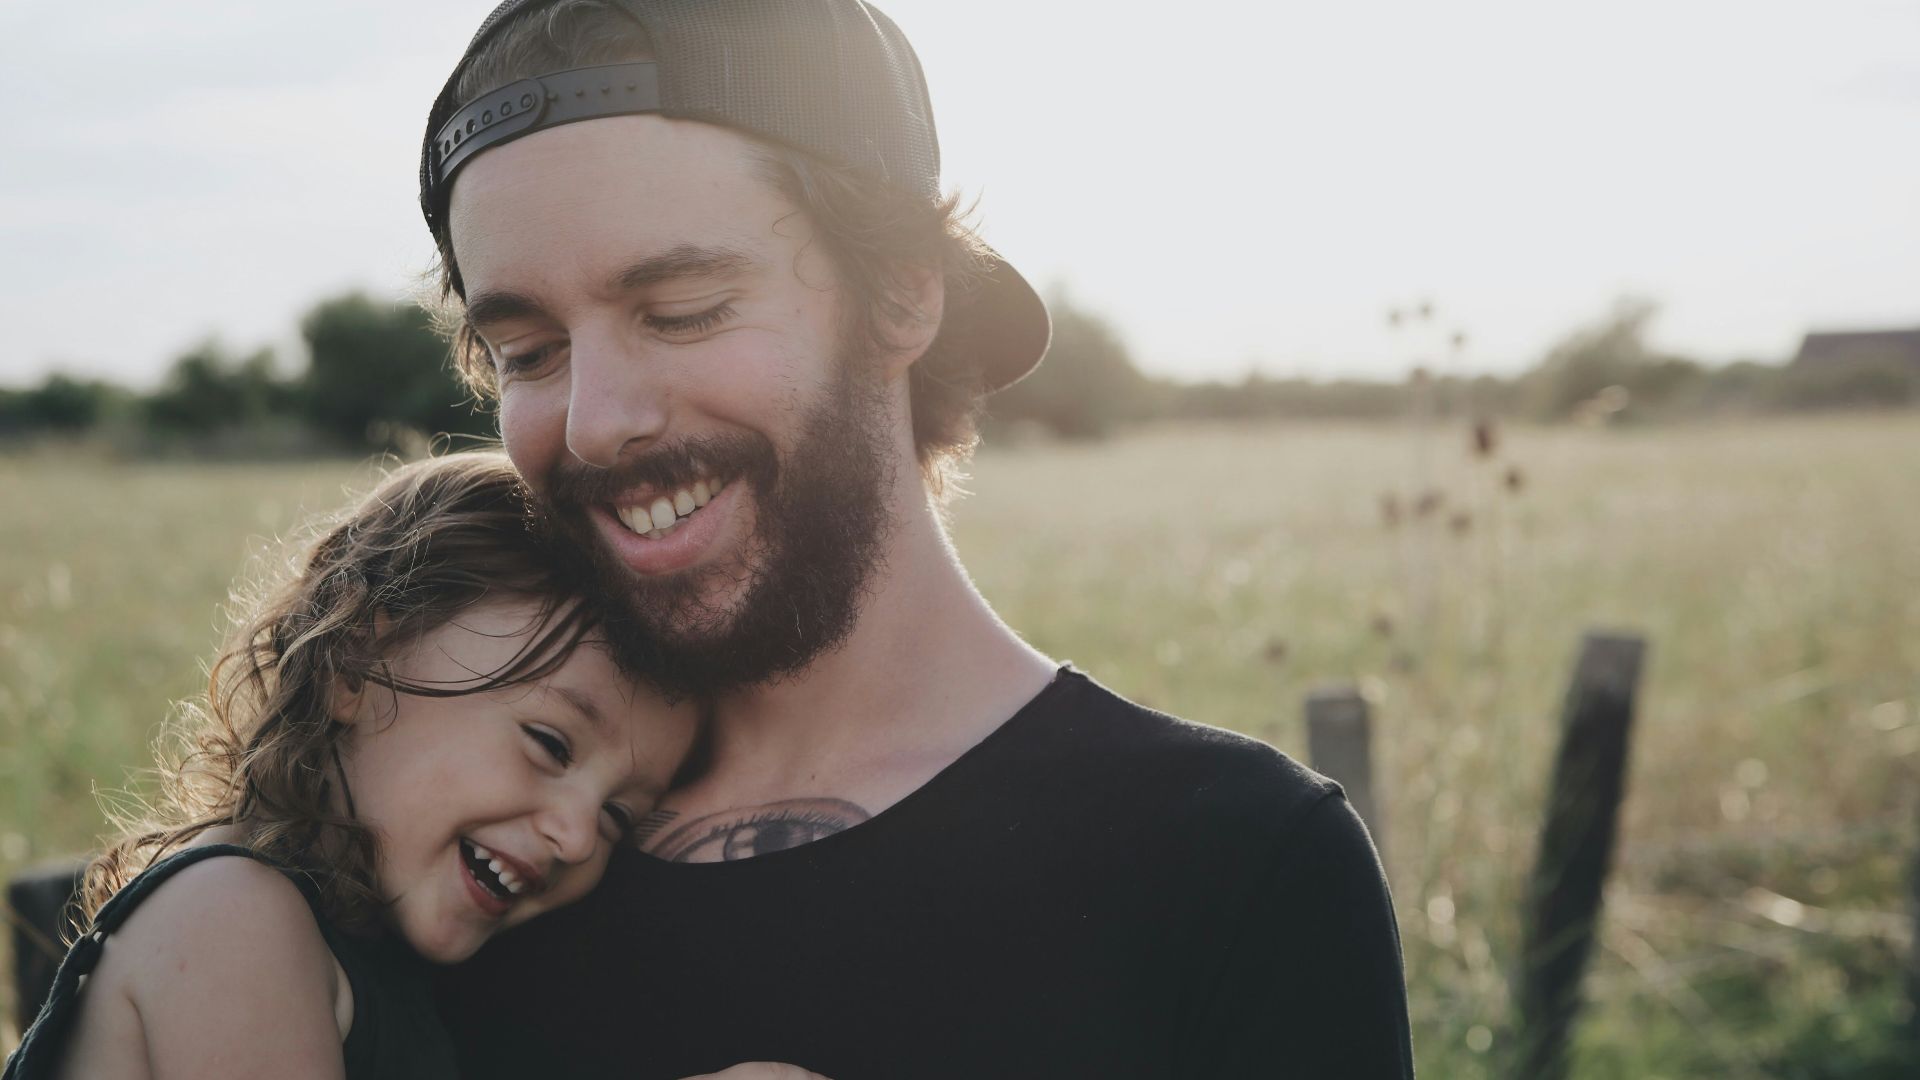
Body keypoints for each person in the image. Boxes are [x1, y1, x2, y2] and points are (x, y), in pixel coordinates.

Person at [423, 2, 1417, 1076]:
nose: (595, 421)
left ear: (900, 300)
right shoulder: (467, 846)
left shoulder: (1231, 865)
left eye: (684, 309)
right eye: (526, 350)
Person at [2, 453, 725, 1079]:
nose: (575, 836)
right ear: (354, 662)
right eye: (550, 743)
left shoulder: (378, 955)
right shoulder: (232, 918)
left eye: (616, 816)